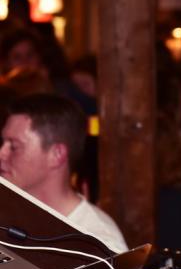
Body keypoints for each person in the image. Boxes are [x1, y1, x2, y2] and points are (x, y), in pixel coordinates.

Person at [0, 92, 127, 253]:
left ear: (57, 155)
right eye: (3, 143)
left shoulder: (99, 243)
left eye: (14, 146)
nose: (1, 154)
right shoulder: (9, 213)